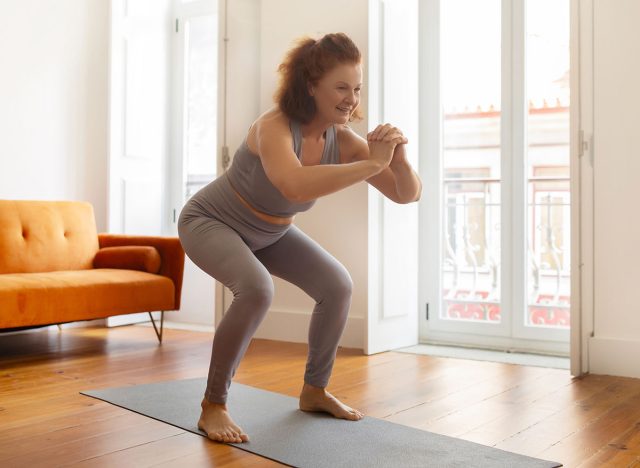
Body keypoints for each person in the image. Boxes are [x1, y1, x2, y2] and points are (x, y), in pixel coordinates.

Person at [177, 32, 422, 444]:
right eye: (341, 87)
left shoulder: (341, 139)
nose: (351, 98)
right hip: (211, 221)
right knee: (256, 290)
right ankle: (213, 405)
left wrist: (398, 160)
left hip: (272, 230)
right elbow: (293, 184)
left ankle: (314, 390)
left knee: (337, 285)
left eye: (357, 89)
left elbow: (405, 193)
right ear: (311, 87)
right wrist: (371, 164)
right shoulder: (272, 127)